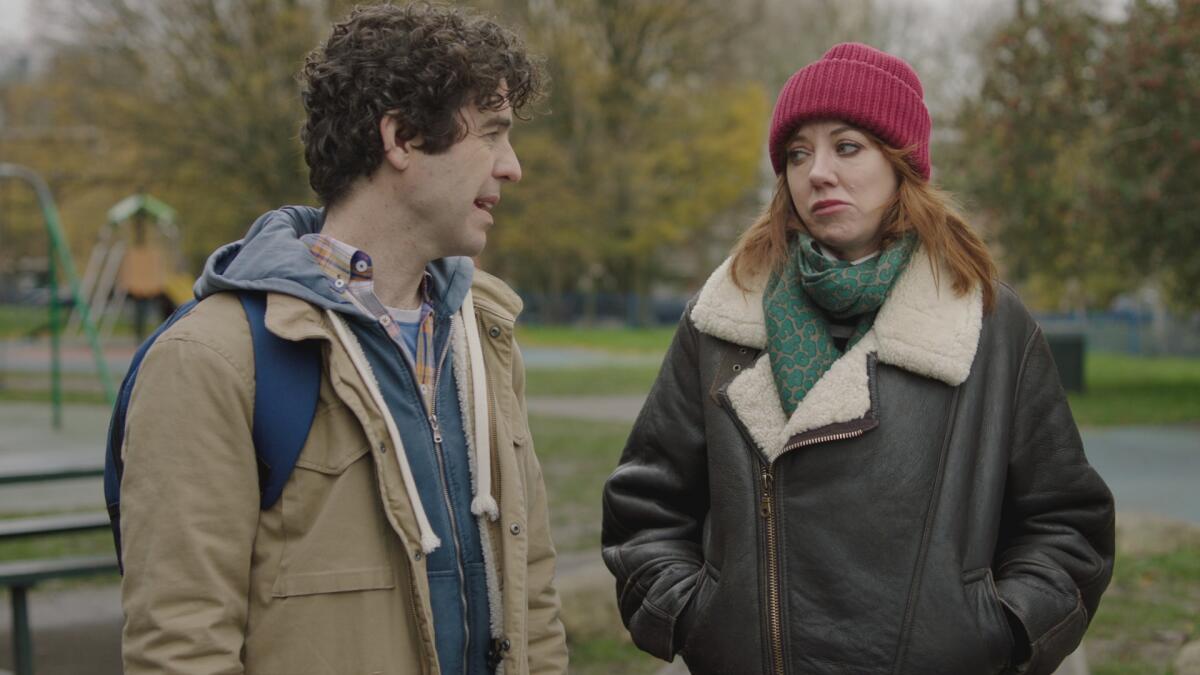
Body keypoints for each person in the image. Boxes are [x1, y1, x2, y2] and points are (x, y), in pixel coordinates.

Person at [601, 43, 1114, 675]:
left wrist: (994, 631)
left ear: (901, 165)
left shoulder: (986, 320)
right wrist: (700, 619)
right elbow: (645, 508)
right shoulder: (721, 318)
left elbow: (1066, 521)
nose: (817, 172)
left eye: (847, 147)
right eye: (798, 153)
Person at [119, 5, 567, 674]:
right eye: (494, 135)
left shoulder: (484, 336)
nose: (512, 167)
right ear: (402, 137)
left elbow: (531, 594)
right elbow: (180, 645)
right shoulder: (213, 358)